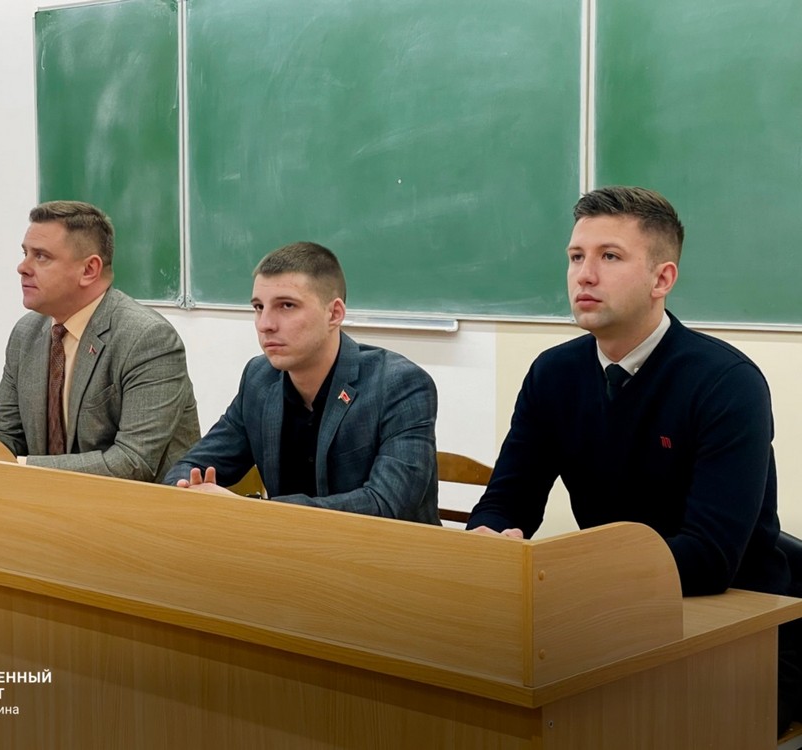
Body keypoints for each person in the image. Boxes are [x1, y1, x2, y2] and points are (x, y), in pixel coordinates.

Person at [466, 185, 799, 731]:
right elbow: (507, 500)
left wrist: (560, 575)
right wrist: (489, 540)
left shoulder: (726, 382)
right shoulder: (553, 374)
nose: (584, 275)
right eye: (576, 257)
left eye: (610, 257)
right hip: (615, 615)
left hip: (745, 630)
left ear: (661, 279)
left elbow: (709, 557)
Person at [164, 242, 439, 524]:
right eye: (259, 307)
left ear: (334, 314)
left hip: (380, 550)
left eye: (286, 306)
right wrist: (187, 489)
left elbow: (387, 505)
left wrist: (251, 510)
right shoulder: (259, 378)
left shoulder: (399, 384)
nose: (265, 324)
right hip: (287, 546)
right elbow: (191, 466)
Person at [0, 200, 199, 480]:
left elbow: (133, 462)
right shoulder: (26, 333)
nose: (22, 267)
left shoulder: (147, 339)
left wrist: (20, 467)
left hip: (134, 504)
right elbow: (4, 434)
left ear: (89, 270)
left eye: (42, 256)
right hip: (44, 498)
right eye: (25, 253)